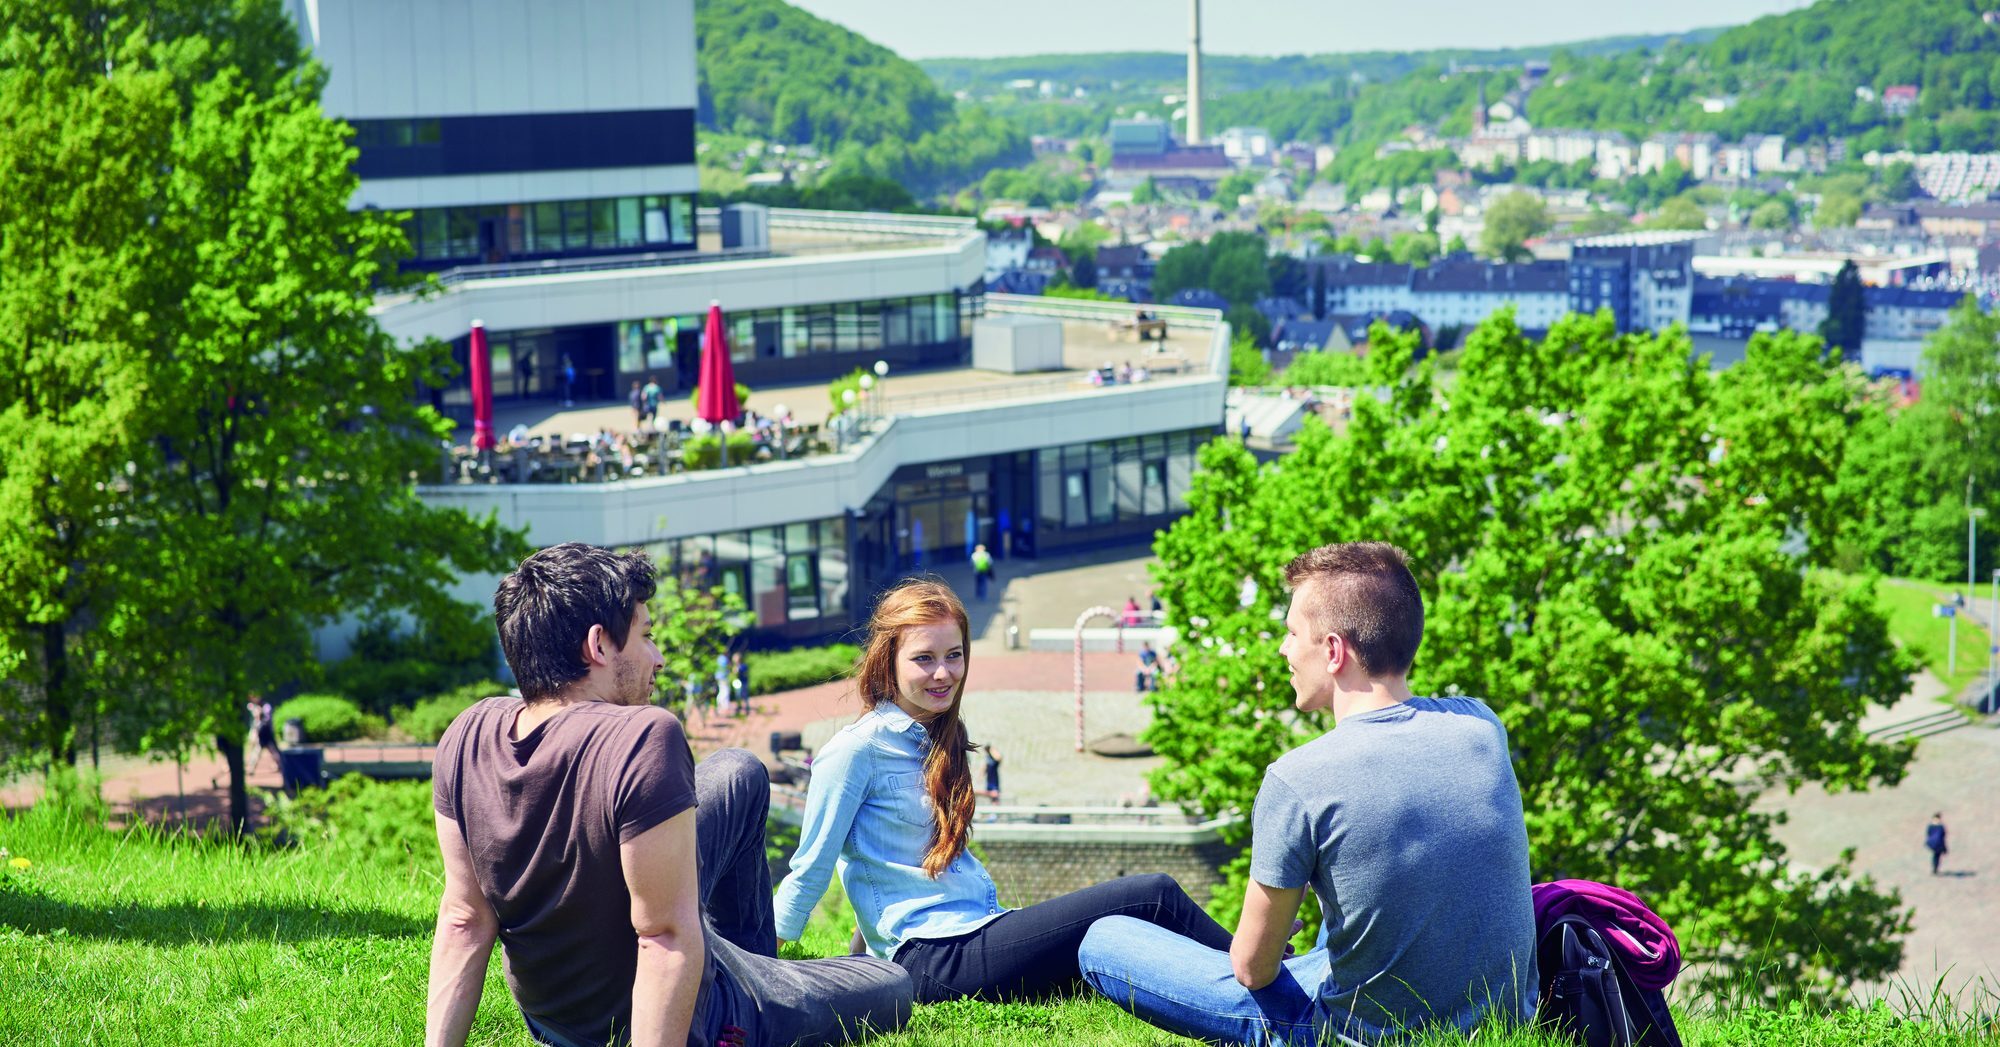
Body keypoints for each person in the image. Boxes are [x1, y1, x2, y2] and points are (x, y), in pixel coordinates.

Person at [425, 543, 910, 1047]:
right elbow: (663, 939)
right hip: (666, 1013)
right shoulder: (642, 736)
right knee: (890, 981)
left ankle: (753, 963)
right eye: (646, 636)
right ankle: (746, 1002)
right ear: (598, 645)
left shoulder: (469, 731)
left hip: (553, 1018)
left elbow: (464, 918)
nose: (658, 658)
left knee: (738, 772)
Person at [1079, 541, 1538, 1046]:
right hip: (1505, 1021)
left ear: (1334, 651)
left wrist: (1268, 935)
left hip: (1358, 1034)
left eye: (1293, 633)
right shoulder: (1482, 725)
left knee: (1104, 939)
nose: (1284, 649)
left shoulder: (1300, 779)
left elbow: (1253, 971)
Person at [773, 579, 1233, 1004]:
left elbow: (887, 870)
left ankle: (1240, 999)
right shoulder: (854, 751)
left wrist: (866, 951)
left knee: (1118, 943)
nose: (943, 673)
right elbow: (810, 869)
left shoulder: (939, 736)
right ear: (887, 660)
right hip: (937, 956)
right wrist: (759, 973)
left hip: (974, 930)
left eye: (954, 655)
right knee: (1153, 895)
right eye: (924, 658)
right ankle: (1261, 974)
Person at [245, 694, 278, 775]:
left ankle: (281, 765)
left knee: (274, 751)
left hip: (267, 732)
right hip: (260, 733)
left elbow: (267, 719)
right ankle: (251, 768)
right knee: (257, 751)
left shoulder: (266, 707)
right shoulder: (254, 707)